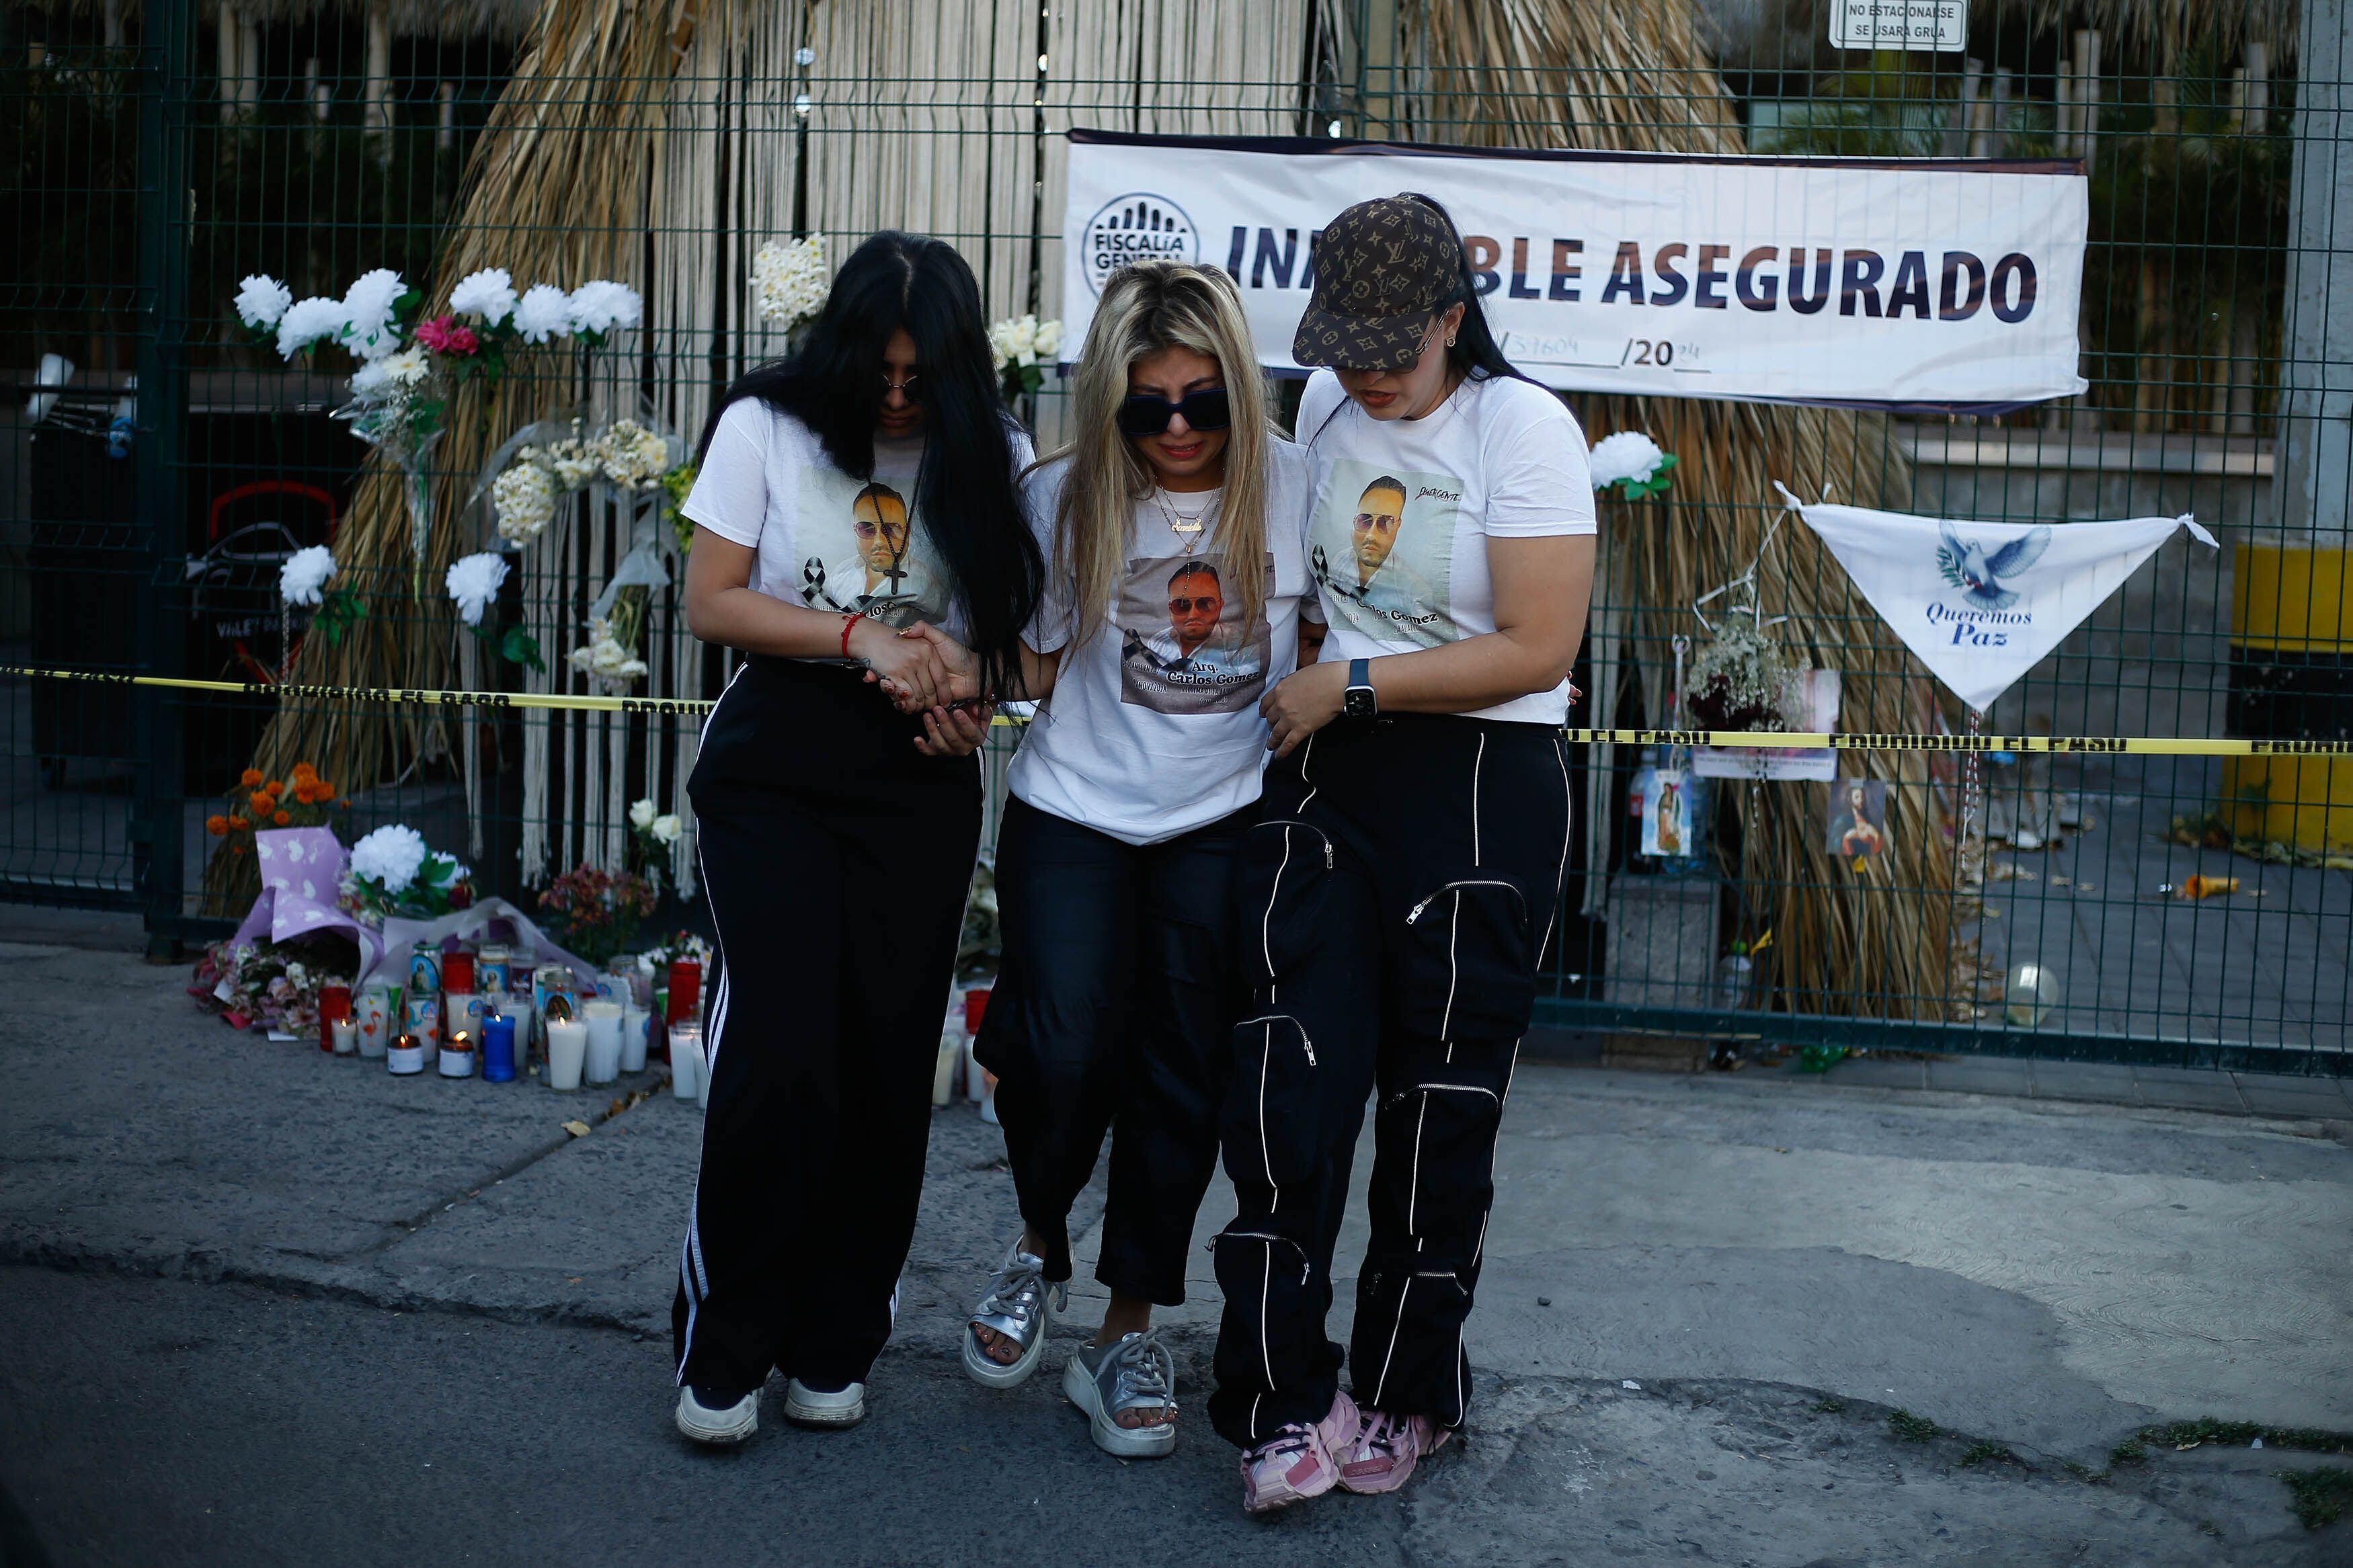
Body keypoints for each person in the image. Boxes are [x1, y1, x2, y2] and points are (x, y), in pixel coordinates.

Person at [1210, 193, 1597, 1512]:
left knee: (1439, 1113)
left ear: (1452, 320)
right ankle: (1276, 1393)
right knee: (1286, 1084)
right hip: (1329, 773)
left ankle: (1401, 1391)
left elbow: (1540, 648)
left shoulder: (1522, 427)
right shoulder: (1325, 412)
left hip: (1480, 786)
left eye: (1396, 346)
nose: (1369, 371)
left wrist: (1354, 686)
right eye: (1347, 345)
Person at [667, 231, 1041, 1446]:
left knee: (886, 1061)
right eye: (878, 372)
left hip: (917, 777)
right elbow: (714, 599)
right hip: (777, 760)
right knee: (782, 1043)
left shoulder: (997, 451)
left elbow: (1021, 642)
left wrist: (970, 697)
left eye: (918, 376)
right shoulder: (765, 426)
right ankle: (724, 1349)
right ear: (840, 349)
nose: (896, 396)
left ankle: (835, 1343)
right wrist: (859, 639)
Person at [958, 259, 1320, 1462]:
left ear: (1242, 396)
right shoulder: (1066, 496)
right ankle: (1039, 1248)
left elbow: (1323, 645)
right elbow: (1039, 664)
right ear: (1111, 404)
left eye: (1202, 403)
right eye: (1147, 407)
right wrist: (902, 664)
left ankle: (1127, 1329)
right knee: (1058, 1046)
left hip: (1219, 819)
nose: (1175, 429)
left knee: (1180, 1079)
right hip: (1075, 808)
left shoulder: (1297, 490)